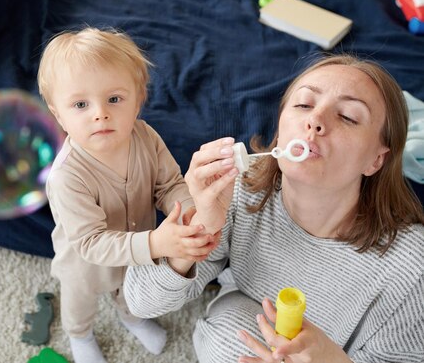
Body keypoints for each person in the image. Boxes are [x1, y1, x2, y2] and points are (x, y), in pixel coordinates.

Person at [123, 54, 424, 363]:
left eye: (348, 116)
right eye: (304, 105)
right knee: (225, 337)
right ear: (281, 130)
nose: (315, 120)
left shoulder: (412, 268)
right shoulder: (240, 190)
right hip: (240, 315)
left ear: (376, 160)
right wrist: (202, 224)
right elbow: (141, 302)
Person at [37, 27, 218, 363]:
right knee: (79, 302)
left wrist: (190, 209)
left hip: (138, 249)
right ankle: (81, 336)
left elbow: (168, 184)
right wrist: (155, 244)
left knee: (129, 291)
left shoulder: (145, 136)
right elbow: (90, 243)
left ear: (139, 100)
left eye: (115, 99)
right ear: (58, 114)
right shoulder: (67, 176)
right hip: (85, 262)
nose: (100, 113)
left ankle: (131, 317)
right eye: (80, 104)